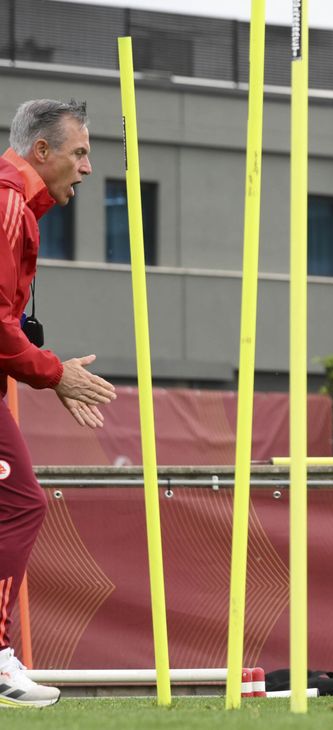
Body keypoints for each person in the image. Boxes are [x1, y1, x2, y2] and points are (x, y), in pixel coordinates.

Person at [1, 99, 117, 708]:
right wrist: (55, 375)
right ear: (41, 151)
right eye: (80, 152)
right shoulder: (5, 204)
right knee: (19, 504)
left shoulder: (19, 206)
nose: (88, 167)